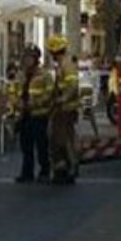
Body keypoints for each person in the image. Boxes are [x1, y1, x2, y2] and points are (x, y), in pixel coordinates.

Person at [12, 44, 53, 183]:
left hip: (39, 115)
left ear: (36, 59)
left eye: (30, 58)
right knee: (26, 145)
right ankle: (27, 172)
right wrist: (16, 103)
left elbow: (49, 94)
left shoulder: (44, 75)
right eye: (26, 58)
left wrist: (36, 103)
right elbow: (15, 91)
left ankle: (44, 171)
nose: (27, 61)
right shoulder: (21, 75)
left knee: (42, 145)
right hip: (24, 115)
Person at [46, 35, 81, 184]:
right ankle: (64, 167)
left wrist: (63, 99)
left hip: (66, 108)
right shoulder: (62, 64)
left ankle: (70, 166)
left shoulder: (66, 64)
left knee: (64, 139)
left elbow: (72, 86)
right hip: (62, 108)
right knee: (59, 138)